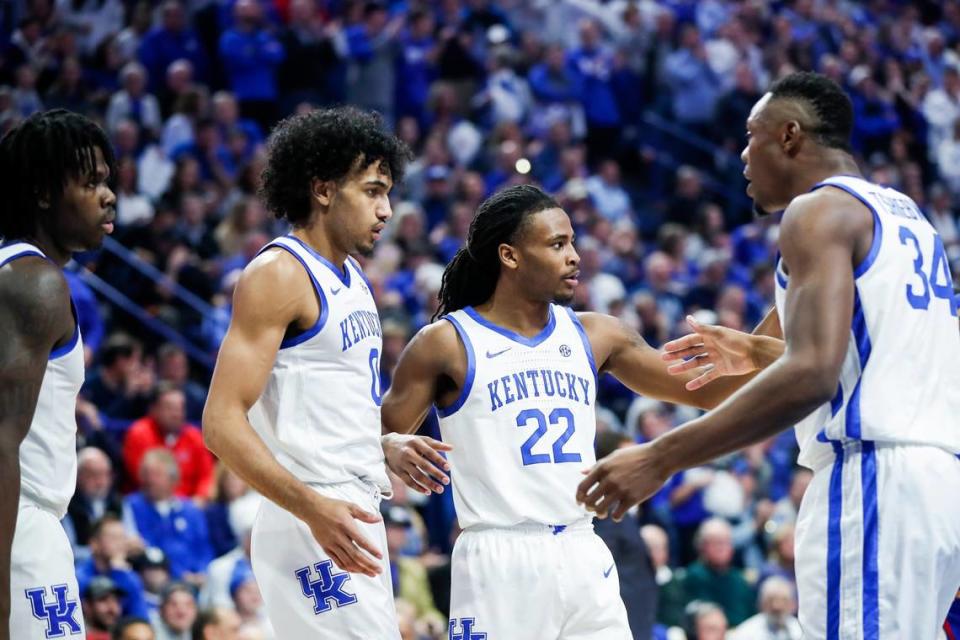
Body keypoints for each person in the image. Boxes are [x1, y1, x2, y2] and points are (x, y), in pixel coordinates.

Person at [578, 71, 960, 638]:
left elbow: (809, 375)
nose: (740, 154)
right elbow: (737, 377)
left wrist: (661, 456)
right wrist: (746, 351)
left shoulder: (817, 213)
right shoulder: (910, 218)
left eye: (750, 136)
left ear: (789, 136)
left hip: (873, 479)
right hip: (938, 485)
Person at [380, 184, 780, 638]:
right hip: (500, 554)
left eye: (572, 242)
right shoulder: (446, 343)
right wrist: (388, 444)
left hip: (582, 547)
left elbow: (709, 392)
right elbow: (370, 441)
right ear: (509, 256)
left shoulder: (597, 334)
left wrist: (781, 304)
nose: (574, 256)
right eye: (557, 244)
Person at [202, 106, 425, 639]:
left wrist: (382, 444)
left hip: (346, 510)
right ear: (323, 190)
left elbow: (324, 406)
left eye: (388, 193)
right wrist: (314, 510)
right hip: (313, 515)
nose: (386, 209)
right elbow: (221, 422)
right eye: (372, 191)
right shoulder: (279, 273)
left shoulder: (351, 278)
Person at [0, 109, 116, 640]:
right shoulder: (36, 284)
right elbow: (2, 442)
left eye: (107, 181)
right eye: (90, 182)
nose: (107, 195)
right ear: (44, 193)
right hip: (19, 528)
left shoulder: (14, 272)